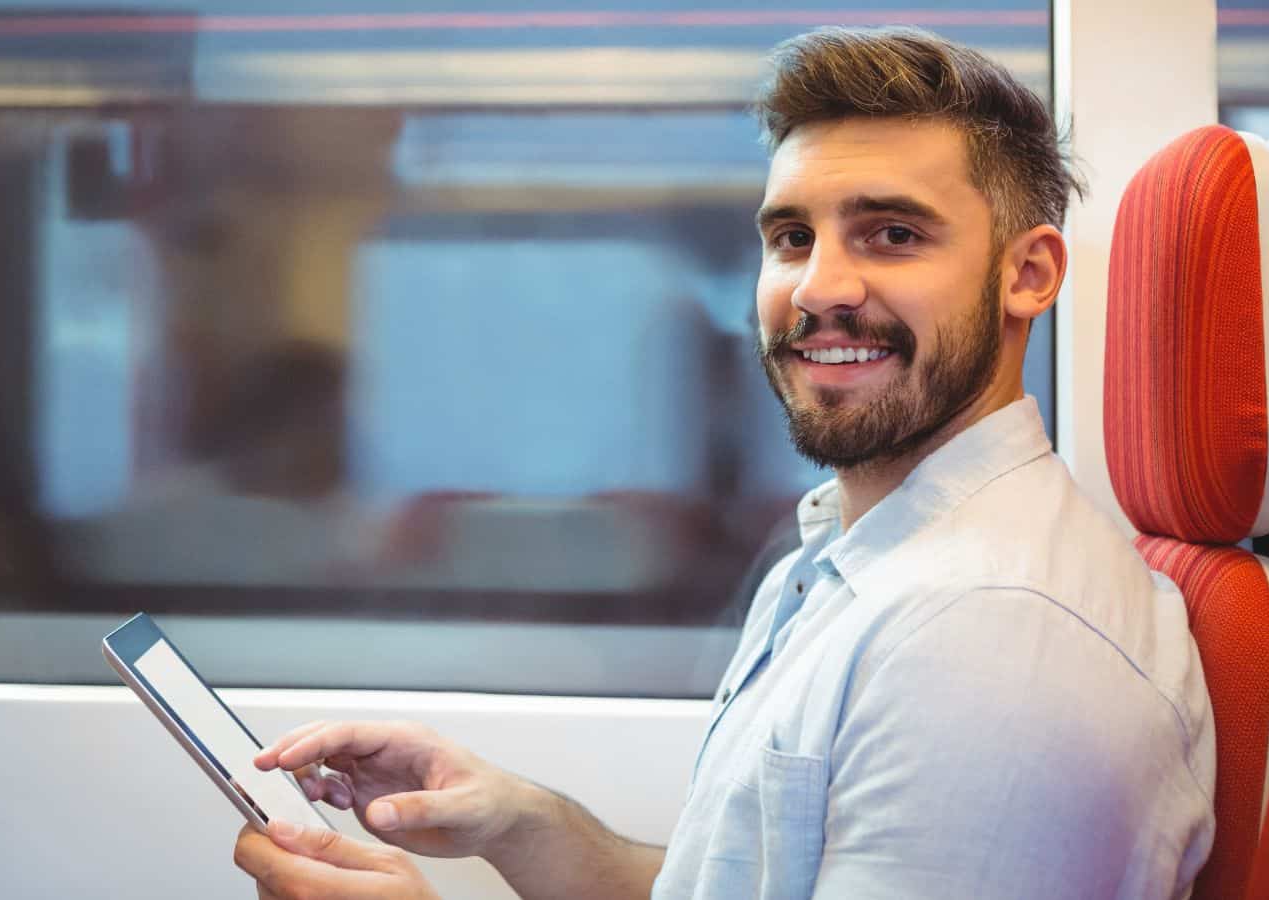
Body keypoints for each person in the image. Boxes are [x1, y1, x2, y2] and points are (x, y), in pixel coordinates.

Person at [232, 26, 1215, 900]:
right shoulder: (859, 557)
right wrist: (522, 821)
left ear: (1026, 275)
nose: (819, 288)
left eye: (893, 233)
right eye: (791, 237)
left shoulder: (992, 646)